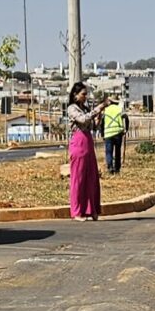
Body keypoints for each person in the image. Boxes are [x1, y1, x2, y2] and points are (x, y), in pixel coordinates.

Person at [63, 80, 103, 220]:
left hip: (88, 144)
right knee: (78, 179)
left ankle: (91, 209)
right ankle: (77, 211)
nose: (85, 97)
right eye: (83, 94)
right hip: (78, 144)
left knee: (91, 178)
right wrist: (98, 108)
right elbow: (83, 120)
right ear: (75, 95)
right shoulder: (72, 109)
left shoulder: (85, 109)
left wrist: (99, 117)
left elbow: (92, 126)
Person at [101, 93, 127, 175]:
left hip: (108, 133)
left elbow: (102, 123)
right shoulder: (120, 109)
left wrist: (102, 133)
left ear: (110, 102)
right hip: (118, 132)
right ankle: (117, 168)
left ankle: (110, 167)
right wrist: (126, 129)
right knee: (118, 151)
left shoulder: (106, 110)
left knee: (109, 151)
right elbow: (126, 118)